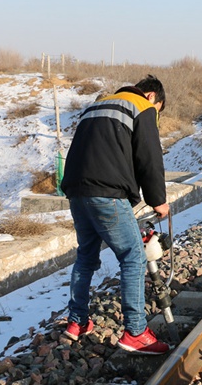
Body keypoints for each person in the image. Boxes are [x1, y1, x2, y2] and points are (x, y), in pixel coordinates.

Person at [60, 74, 171, 355]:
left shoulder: (97, 106)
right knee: (133, 257)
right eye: (158, 111)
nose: (156, 116)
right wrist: (158, 200)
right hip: (107, 193)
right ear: (152, 97)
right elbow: (149, 156)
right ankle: (136, 332)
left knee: (86, 256)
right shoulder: (142, 106)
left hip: (76, 192)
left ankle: (77, 321)